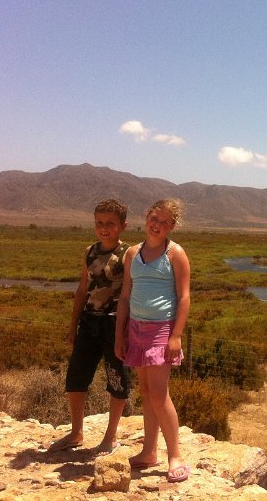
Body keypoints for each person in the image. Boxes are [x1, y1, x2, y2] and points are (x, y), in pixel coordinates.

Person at [115, 199, 191, 483]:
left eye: (165, 222)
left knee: (159, 394)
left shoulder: (175, 254)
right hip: (136, 329)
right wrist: (119, 334)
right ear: (146, 217)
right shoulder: (132, 253)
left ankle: (175, 456)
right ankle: (149, 451)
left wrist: (176, 336)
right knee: (146, 392)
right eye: (154, 219)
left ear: (172, 226)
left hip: (161, 330)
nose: (157, 225)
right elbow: (125, 296)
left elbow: (184, 297)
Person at [48, 198, 132, 455]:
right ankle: (76, 433)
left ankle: (111, 437)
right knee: (76, 376)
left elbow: (130, 293)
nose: (104, 228)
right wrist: (73, 326)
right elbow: (82, 289)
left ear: (122, 225)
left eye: (110, 223)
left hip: (114, 323)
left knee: (117, 378)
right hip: (89, 321)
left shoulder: (128, 254)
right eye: (99, 223)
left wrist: (126, 330)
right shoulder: (90, 252)